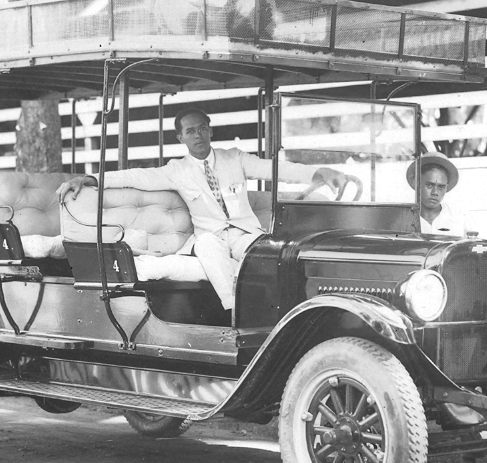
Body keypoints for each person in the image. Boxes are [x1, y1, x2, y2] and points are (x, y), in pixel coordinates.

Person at [57, 106, 350, 310]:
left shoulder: (234, 158)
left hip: (244, 233)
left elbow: (274, 168)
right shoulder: (176, 170)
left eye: (202, 128)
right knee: (209, 244)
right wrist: (91, 178)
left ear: (209, 131)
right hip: (210, 236)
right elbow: (136, 176)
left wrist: (317, 172)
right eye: (190, 131)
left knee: (269, 255)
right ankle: (233, 311)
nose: (198, 135)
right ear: (180, 138)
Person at [408, 152, 464, 235]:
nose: (435, 192)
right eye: (429, 185)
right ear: (417, 184)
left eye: (441, 187)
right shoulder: (405, 218)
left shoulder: (459, 218)